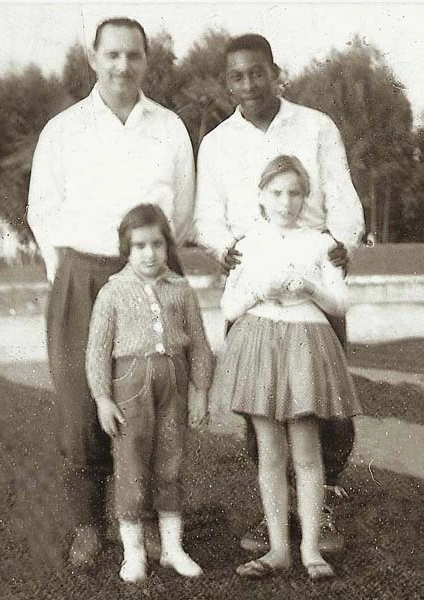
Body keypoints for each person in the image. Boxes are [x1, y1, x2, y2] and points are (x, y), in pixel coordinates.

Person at [27, 17, 195, 566]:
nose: (124, 66)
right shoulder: (64, 128)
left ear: (147, 60)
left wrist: (153, 266)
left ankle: (144, 523)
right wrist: (67, 276)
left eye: (134, 56)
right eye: (113, 55)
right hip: (82, 275)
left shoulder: (168, 127)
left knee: (147, 399)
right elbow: (42, 210)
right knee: (82, 401)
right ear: (93, 58)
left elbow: (183, 212)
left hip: (149, 269)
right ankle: (87, 525)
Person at [195, 33, 365, 553]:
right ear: (228, 82)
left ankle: (322, 503)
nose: (248, 84)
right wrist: (227, 249)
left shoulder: (315, 125)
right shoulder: (218, 141)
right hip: (255, 279)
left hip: (311, 276)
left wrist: (339, 244)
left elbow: (343, 198)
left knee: (323, 407)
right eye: (237, 76)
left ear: (275, 70)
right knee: (260, 404)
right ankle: (276, 517)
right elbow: (207, 216)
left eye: (257, 72)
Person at [210, 155, 361, 579]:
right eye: (277, 192)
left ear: (305, 197)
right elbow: (229, 304)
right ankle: (278, 549)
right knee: (271, 454)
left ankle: (311, 550)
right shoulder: (247, 243)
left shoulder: (317, 242)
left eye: (295, 193)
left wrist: (310, 286)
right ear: (261, 195)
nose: (286, 201)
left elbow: (339, 302)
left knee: (308, 452)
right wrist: (261, 288)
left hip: (304, 344)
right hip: (260, 343)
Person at [86, 204, 213, 582]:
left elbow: (201, 346)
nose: (149, 253)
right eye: (139, 245)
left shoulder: (181, 290)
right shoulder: (113, 293)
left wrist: (201, 390)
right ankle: (134, 552)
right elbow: (96, 349)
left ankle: (173, 548)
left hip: (173, 384)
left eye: (156, 244)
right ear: (126, 249)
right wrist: (103, 398)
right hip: (128, 390)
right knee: (131, 466)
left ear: (167, 246)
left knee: (170, 462)